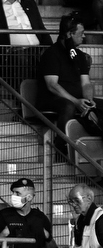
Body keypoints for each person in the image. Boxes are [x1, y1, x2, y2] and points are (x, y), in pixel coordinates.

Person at [37, 14, 98, 155]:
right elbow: (52, 85)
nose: (84, 37)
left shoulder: (81, 56)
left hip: (76, 99)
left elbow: (86, 84)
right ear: (70, 34)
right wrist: (76, 101)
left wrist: (89, 101)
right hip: (50, 99)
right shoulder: (51, 54)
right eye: (81, 34)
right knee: (68, 106)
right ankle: (61, 147)